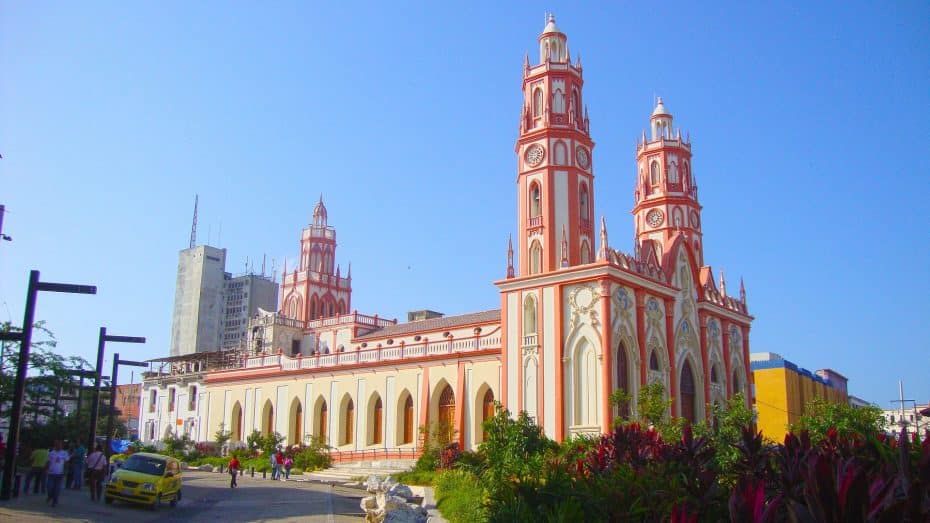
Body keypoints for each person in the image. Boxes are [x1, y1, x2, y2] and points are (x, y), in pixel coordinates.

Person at [45, 440, 69, 507]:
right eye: (57, 445)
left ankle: (55, 501)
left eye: (60, 445)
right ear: (55, 445)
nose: (58, 446)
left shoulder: (64, 453)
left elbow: (66, 462)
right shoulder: (51, 453)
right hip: (51, 473)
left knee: (57, 488)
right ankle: (50, 496)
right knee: (49, 487)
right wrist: (45, 469)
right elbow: (48, 461)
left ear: (62, 446)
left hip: (59, 474)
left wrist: (66, 471)